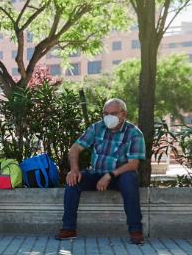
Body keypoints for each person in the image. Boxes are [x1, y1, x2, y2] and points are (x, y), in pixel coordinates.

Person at [57, 97, 146, 244]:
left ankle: (136, 231)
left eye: (113, 113)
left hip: (119, 176)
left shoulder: (134, 133)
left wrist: (109, 175)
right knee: (73, 181)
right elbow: (75, 149)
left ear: (123, 114)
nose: (108, 117)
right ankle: (68, 228)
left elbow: (133, 164)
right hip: (96, 173)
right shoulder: (97, 127)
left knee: (130, 178)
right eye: (105, 113)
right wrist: (74, 169)